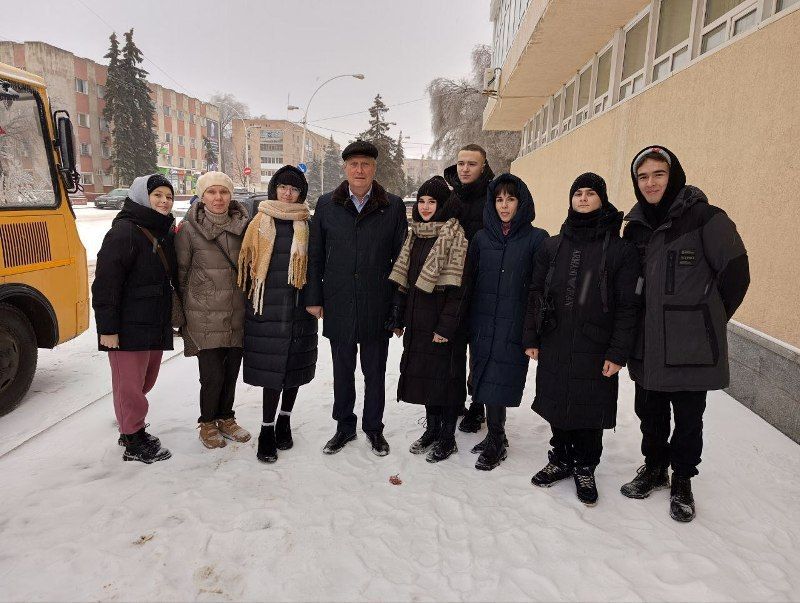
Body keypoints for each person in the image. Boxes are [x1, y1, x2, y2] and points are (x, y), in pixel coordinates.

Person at [621, 146, 750, 522]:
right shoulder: (635, 227)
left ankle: (682, 480)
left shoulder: (707, 218)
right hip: (646, 342)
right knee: (649, 412)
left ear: (673, 175)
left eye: (658, 174)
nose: (650, 183)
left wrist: (706, 319)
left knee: (689, 418)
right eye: (643, 177)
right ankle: (655, 468)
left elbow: (736, 274)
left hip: (690, 346)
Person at [523, 173, 641, 506]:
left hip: (597, 344)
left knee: (589, 407)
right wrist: (531, 336)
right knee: (557, 402)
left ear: (602, 199)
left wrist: (618, 352)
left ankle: (585, 465)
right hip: (556, 338)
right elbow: (535, 292)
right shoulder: (553, 246)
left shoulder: (620, 250)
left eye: (591, 193)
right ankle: (561, 458)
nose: (584, 198)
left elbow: (628, 306)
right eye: (578, 193)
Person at [305, 140, 408, 456]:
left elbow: (401, 261)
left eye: (365, 164)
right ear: (345, 168)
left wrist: (398, 308)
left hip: (377, 302)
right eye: (354, 164)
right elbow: (315, 255)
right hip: (339, 301)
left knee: (375, 373)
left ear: (374, 169)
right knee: (342, 371)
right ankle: (344, 427)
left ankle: (374, 429)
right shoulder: (327, 204)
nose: (359, 170)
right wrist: (314, 297)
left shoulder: (392, 206)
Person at [92, 173, 177, 463]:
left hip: (152, 323)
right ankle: (132, 438)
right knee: (129, 386)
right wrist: (108, 329)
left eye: (168, 197)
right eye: (157, 195)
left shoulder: (160, 230)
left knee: (144, 382)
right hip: (127, 327)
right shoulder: (125, 232)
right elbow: (105, 284)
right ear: (143, 197)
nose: (164, 201)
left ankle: (131, 427)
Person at [238, 165, 318, 463]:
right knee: (272, 373)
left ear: (301, 194)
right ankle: (266, 429)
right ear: (274, 189)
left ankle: (285, 420)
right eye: (283, 187)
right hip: (265, 308)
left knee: (295, 368)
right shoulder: (258, 221)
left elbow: (317, 267)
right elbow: (246, 266)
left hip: (299, 308)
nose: (288, 193)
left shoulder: (308, 224)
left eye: (294, 189)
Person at [468, 173, 548, 471]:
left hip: (513, 322)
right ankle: (494, 434)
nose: (504, 205)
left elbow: (539, 288)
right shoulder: (481, 238)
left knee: (500, 381)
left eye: (510, 199)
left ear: (521, 202)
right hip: (483, 321)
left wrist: (533, 331)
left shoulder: (536, 238)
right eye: (499, 199)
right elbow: (471, 280)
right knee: (484, 377)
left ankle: (497, 439)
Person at [387, 176, 470, 463]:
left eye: (432, 202)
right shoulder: (416, 235)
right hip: (418, 322)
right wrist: (398, 315)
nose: (424, 207)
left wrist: (446, 327)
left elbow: (460, 291)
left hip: (444, 326)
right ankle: (432, 429)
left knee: (446, 381)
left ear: (443, 204)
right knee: (426, 379)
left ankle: (447, 436)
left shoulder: (455, 237)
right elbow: (404, 283)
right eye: (421, 201)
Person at [176, 171, 251, 449]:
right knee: (212, 376)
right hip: (203, 314)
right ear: (202, 196)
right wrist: (182, 315)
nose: (218, 198)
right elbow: (181, 274)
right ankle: (207, 422)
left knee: (231, 372)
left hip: (237, 312)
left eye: (223, 192)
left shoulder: (244, 226)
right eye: (211, 192)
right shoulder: (188, 229)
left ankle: (226, 418)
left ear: (230, 195)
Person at [444, 144, 495, 434]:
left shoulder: (492, 196)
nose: (464, 169)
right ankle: (455, 401)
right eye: (461, 163)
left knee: (479, 350)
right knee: (453, 349)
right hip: (452, 284)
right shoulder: (452, 197)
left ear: (483, 166)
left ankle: (478, 405)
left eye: (472, 164)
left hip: (483, 284)